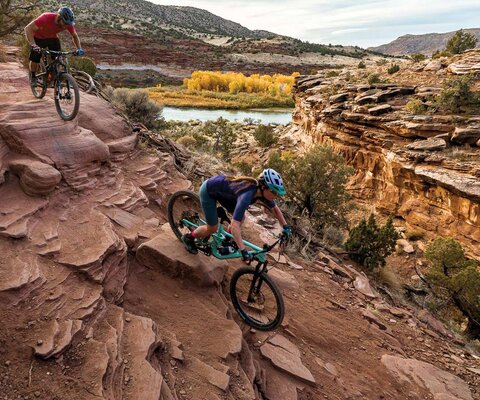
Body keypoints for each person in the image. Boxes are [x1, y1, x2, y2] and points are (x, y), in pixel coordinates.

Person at [182, 168, 292, 262]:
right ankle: (188, 237)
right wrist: (243, 251)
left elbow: (275, 209)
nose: (276, 195)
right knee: (212, 228)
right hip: (209, 191)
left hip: (226, 196)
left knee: (242, 217)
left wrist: (286, 227)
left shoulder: (262, 193)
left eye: (277, 193)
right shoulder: (247, 195)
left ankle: (226, 239)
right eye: (273, 192)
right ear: (263, 187)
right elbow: (235, 225)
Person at [24, 6, 84, 84]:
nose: (66, 26)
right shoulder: (45, 18)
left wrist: (79, 48)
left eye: (68, 24)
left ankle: (53, 78)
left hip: (52, 38)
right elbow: (28, 29)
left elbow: (74, 36)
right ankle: (33, 76)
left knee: (58, 58)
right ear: (59, 17)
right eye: (65, 23)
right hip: (39, 38)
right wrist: (33, 44)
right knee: (35, 58)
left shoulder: (68, 23)